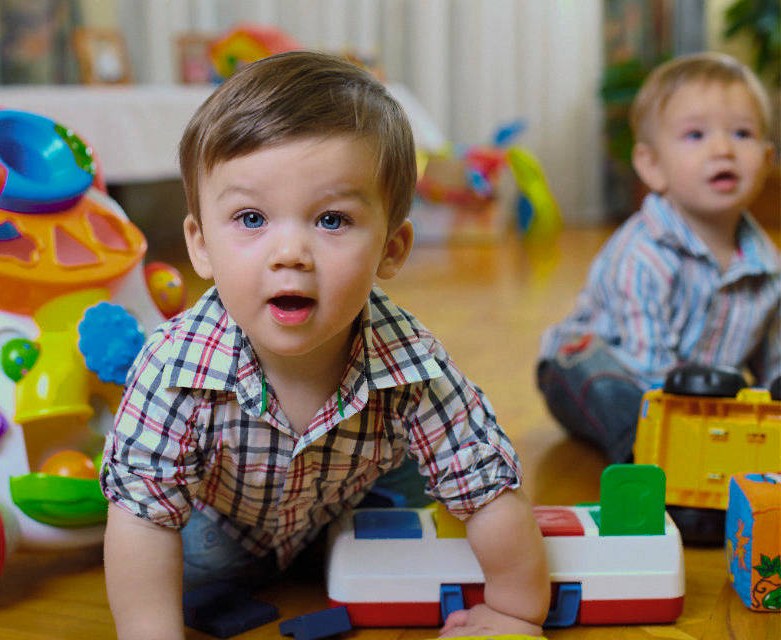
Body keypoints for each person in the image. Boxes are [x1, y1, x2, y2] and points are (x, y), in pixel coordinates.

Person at [101, 51, 549, 639]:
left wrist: (514, 612)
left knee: (423, 516)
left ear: (391, 248)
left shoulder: (413, 362)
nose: (289, 253)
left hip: (350, 510)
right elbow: (142, 514)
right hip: (219, 531)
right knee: (168, 562)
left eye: (332, 220)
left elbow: (488, 489)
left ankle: (354, 546)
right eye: (251, 218)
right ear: (200, 244)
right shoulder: (174, 364)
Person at [537, 51, 779, 464]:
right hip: (602, 367)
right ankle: (647, 460)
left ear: (767, 160)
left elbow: (773, 356)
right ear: (652, 165)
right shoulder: (641, 254)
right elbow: (646, 367)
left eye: (741, 134)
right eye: (695, 135)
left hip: (701, 395)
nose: (723, 149)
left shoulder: (767, 265)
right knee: (614, 390)